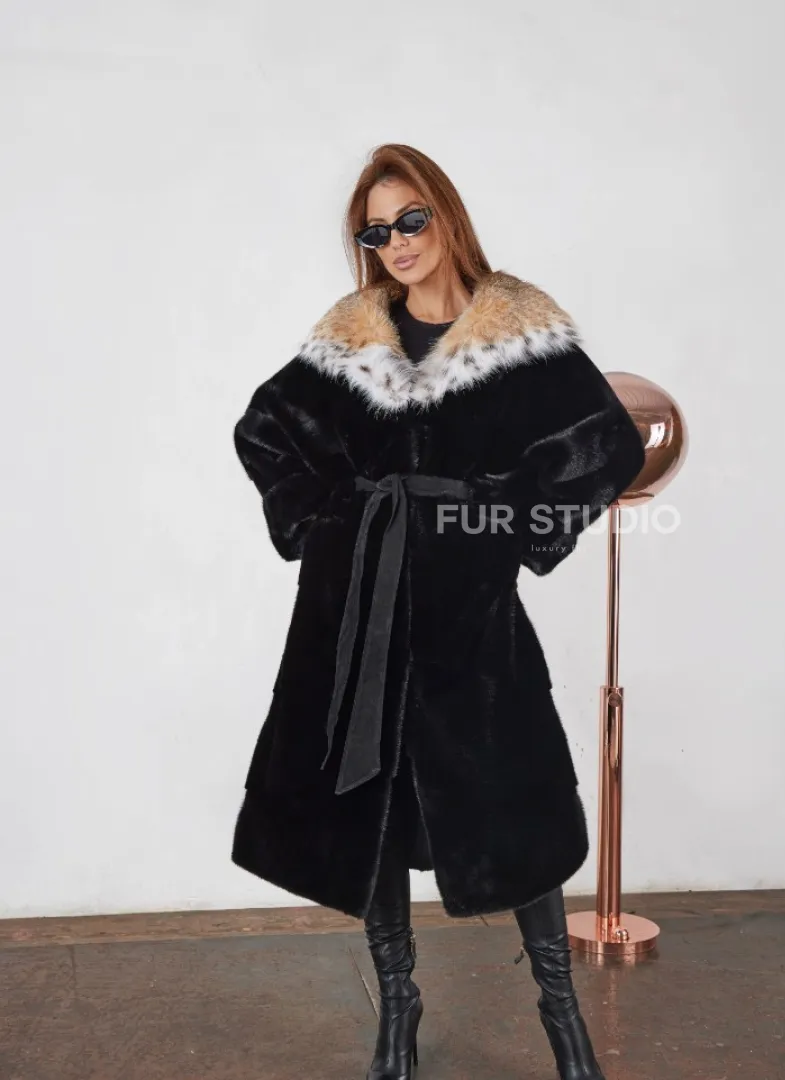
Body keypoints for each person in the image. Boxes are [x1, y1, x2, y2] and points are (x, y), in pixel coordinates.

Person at [231, 143, 647, 1080]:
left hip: (469, 621)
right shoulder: (352, 340)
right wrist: (328, 522)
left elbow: (605, 445)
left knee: (516, 813)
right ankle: (399, 1004)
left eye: (410, 219)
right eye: (374, 232)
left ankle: (562, 1016)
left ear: (446, 215)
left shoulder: (520, 338)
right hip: (354, 612)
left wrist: (498, 529)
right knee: (370, 803)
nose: (397, 243)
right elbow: (263, 432)